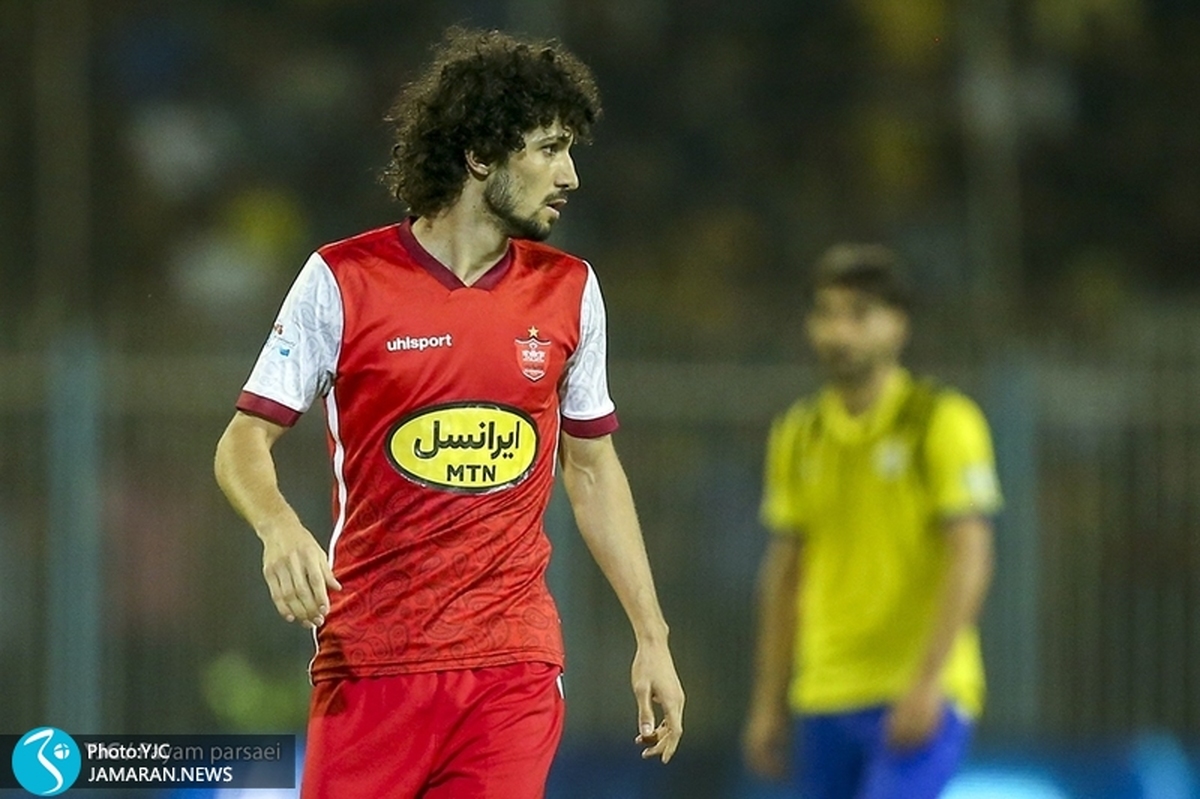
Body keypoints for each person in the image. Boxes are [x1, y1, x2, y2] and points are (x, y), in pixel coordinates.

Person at [213, 28, 684, 799]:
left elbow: (593, 471)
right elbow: (242, 441)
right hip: (370, 660)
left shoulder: (571, 289)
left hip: (512, 666)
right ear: (480, 155)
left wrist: (652, 637)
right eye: (549, 149)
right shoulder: (343, 278)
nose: (569, 175)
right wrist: (279, 526)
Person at [742, 244, 1001, 799]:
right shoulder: (799, 433)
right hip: (824, 693)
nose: (839, 332)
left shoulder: (940, 422)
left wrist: (927, 681)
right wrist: (767, 701)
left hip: (918, 688)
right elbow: (784, 576)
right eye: (826, 314)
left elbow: (971, 556)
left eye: (859, 315)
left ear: (898, 325)